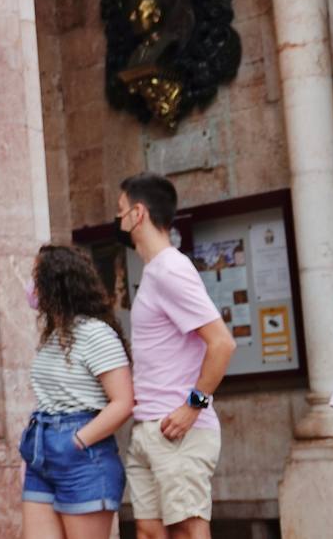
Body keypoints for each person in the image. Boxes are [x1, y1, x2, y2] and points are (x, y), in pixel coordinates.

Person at [116, 174, 236, 539]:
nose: (118, 220)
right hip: (149, 427)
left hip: (178, 429)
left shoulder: (171, 268)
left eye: (120, 212)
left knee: (187, 530)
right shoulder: (155, 271)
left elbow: (222, 343)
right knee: (149, 531)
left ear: (139, 213)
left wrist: (192, 406)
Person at [20, 245, 134, 539]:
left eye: (36, 277)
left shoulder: (95, 332)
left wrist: (77, 441)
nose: (31, 286)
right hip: (41, 452)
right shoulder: (55, 335)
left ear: (55, 282)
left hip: (83, 457)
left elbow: (123, 402)